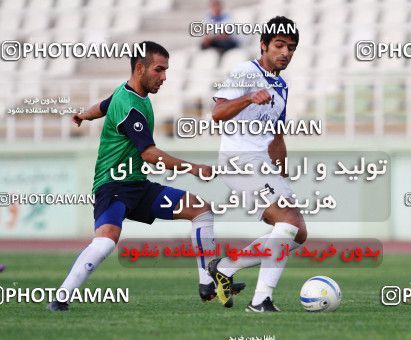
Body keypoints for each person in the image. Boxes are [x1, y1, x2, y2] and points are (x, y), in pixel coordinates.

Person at [48, 41, 244, 311]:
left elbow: (104, 106)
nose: (164, 77)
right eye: (159, 70)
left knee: (201, 211)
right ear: (140, 68)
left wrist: (83, 115)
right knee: (105, 243)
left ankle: (206, 284)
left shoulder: (124, 94)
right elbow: (149, 154)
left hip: (138, 187)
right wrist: (194, 168)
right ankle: (60, 298)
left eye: (165, 70)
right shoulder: (132, 108)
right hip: (112, 186)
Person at [208, 16, 306, 312]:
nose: (285, 52)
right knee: (287, 223)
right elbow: (218, 112)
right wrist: (250, 97)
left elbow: (277, 137)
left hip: (263, 164)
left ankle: (226, 267)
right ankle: (261, 300)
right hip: (238, 161)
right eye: (279, 45)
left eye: (290, 47)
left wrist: (283, 176)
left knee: (297, 232)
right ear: (263, 45)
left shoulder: (282, 86)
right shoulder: (245, 72)